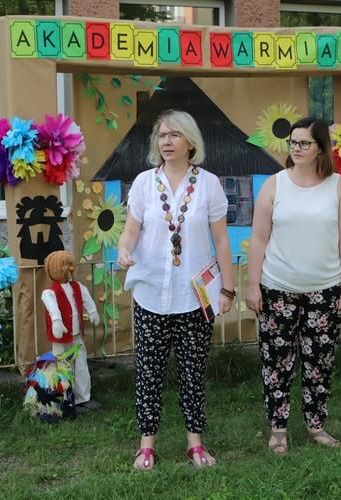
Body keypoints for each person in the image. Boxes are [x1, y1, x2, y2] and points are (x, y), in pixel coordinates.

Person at [117, 109, 234, 470]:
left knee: (192, 372)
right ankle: (146, 445)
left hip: (193, 297)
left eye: (174, 135)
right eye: (162, 135)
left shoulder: (210, 184)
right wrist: (123, 248)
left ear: (190, 141)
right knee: (149, 371)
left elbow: (221, 241)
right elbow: (132, 229)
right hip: (150, 292)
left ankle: (195, 444)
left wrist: (228, 288)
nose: (166, 142)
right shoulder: (143, 183)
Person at [246, 117, 341, 454]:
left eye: (304, 143)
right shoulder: (274, 185)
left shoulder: (338, 185)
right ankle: (278, 429)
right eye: (292, 142)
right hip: (277, 289)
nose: (296, 148)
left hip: (326, 290)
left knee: (319, 361)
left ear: (321, 148)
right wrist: (253, 285)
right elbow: (258, 239)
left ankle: (316, 425)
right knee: (276, 361)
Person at [41, 250, 102, 412]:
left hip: (76, 337)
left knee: (81, 366)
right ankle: (65, 400)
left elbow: (87, 299)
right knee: (62, 369)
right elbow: (53, 309)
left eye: (70, 264)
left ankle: (83, 398)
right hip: (61, 340)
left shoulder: (77, 287)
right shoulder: (49, 293)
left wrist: (93, 312)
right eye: (65, 265)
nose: (69, 268)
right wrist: (57, 322)